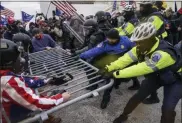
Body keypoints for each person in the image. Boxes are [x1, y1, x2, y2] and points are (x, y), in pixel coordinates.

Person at [100, 22, 182, 123]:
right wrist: (108, 68)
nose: (137, 45)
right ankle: (124, 115)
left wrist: (115, 74)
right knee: (138, 96)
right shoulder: (141, 48)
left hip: (175, 80)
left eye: (140, 42)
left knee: (167, 109)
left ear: (150, 39)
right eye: (136, 42)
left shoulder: (163, 54)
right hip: (158, 75)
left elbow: (142, 68)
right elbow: (125, 59)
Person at [0, 39, 71, 123]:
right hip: (13, 118)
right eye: (17, 58)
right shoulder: (8, 82)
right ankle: (46, 119)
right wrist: (60, 98)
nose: (20, 60)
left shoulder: (5, 76)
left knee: (35, 93)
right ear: (7, 62)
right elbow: (35, 103)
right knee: (37, 101)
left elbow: (24, 80)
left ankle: (47, 118)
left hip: (11, 111)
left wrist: (48, 81)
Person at [80, 29, 140, 109]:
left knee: (129, 73)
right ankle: (100, 92)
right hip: (112, 62)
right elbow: (94, 50)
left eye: (112, 39)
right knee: (109, 76)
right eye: (108, 38)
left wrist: (133, 63)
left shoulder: (126, 41)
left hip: (125, 60)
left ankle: (106, 97)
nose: (110, 40)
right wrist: (82, 55)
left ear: (117, 38)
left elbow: (134, 50)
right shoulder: (105, 44)